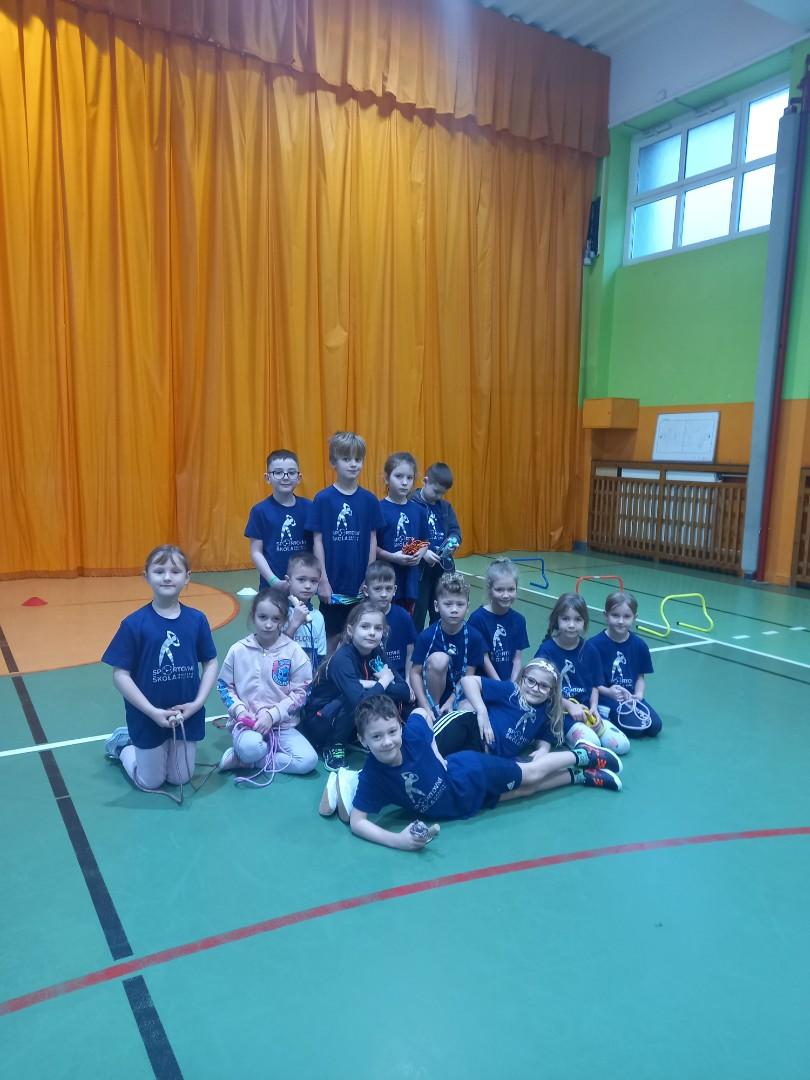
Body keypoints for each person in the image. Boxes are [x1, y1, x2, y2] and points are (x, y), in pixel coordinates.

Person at [343, 696, 623, 850]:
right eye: (376, 737)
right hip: (462, 803)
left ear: (399, 727)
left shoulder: (413, 735)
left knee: (531, 774)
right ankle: (581, 776)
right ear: (363, 740)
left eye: (392, 731)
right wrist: (398, 841)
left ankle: (584, 755)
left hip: (471, 772)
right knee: (527, 790)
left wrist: (435, 751)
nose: (388, 741)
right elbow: (358, 822)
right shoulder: (372, 776)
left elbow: (419, 713)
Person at [103, 545, 218, 791]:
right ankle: (123, 745)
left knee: (180, 778)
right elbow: (120, 675)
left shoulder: (197, 620)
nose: (167, 577)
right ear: (146, 576)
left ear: (187, 577)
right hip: (147, 716)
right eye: (159, 571)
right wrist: (152, 711)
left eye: (175, 571)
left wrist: (197, 704)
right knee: (150, 782)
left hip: (186, 714)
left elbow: (210, 662)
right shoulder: (134, 624)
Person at [216, 588, 316, 783]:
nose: (268, 624)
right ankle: (248, 753)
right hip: (248, 724)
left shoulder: (294, 652)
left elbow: (302, 692)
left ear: (284, 620)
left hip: (282, 726)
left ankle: (247, 761)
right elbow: (224, 686)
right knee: (251, 747)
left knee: (307, 761)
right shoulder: (238, 650)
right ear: (253, 616)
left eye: (275, 619)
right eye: (263, 617)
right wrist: (240, 711)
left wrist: (273, 715)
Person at [299, 601, 410, 770]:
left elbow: (405, 691)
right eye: (365, 627)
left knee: (376, 694)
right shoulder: (342, 659)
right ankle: (333, 745)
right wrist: (383, 681)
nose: (372, 633)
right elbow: (359, 701)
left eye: (378, 628)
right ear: (351, 631)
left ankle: (356, 736)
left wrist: (375, 684)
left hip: (346, 717)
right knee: (356, 697)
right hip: (319, 723)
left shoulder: (376, 653)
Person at [306, 432, 385, 648]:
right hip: (332, 586)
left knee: (359, 639)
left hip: (359, 586)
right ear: (334, 462)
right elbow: (317, 541)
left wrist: (368, 577)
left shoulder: (369, 500)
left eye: (358, 459)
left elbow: (372, 540)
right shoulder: (323, 499)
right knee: (331, 641)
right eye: (346, 459)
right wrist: (322, 581)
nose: (353, 464)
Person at [535, 593, 629, 755]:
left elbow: (595, 685)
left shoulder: (590, 649)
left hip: (586, 710)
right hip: (560, 712)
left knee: (621, 745)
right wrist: (569, 705)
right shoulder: (546, 650)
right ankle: (563, 734)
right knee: (592, 744)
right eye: (566, 619)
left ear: (584, 621)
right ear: (557, 620)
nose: (572, 625)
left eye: (577, 619)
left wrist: (594, 708)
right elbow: (541, 689)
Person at [410, 572, 486, 721]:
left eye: (460, 604)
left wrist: (451, 701)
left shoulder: (475, 637)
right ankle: (434, 709)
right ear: (436, 606)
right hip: (431, 694)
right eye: (448, 604)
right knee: (439, 659)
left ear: (468, 607)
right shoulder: (426, 637)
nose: (454, 609)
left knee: (470, 712)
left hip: (459, 693)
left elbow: (468, 675)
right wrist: (424, 704)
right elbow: (415, 673)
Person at [587, 591, 663, 738]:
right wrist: (608, 692)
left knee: (655, 726)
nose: (621, 621)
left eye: (627, 616)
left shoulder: (640, 645)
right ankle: (603, 712)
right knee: (635, 729)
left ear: (635, 617)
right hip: (606, 696)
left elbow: (640, 677)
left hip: (630, 698)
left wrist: (638, 695)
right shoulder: (593, 645)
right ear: (606, 615)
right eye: (615, 615)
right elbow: (591, 682)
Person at [244, 449, 312, 590]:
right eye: (278, 472)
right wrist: (273, 581)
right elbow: (256, 552)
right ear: (267, 477)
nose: (285, 477)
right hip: (270, 589)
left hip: (303, 588)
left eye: (291, 472)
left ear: (299, 478)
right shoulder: (260, 511)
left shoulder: (309, 508)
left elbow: (316, 546)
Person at [376, 451, 428, 613]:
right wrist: (393, 557)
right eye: (398, 476)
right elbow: (371, 547)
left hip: (409, 583)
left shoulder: (419, 511)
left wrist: (420, 554)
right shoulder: (378, 509)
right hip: (383, 584)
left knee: (404, 621)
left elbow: (425, 541)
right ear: (386, 478)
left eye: (409, 478)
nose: (404, 482)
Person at [411, 462, 461, 630]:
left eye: (443, 493)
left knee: (441, 614)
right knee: (417, 615)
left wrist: (454, 541)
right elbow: (405, 536)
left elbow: (455, 530)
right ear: (425, 481)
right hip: (420, 573)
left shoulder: (446, 507)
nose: (439, 496)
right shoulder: (411, 504)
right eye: (436, 491)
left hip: (442, 571)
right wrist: (422, 552)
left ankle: (438, 644)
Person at [468, 558, 529, 681]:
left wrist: (513, 684)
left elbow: (517, 659)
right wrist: (500, 685)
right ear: (490, 590)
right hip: (484, 682)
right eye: (499, 590)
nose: (506, 595)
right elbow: (484, 658)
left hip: (507, 683)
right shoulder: (478, 619)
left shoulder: (519, 620)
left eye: (511, 589)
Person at [361, 560, 416, 683]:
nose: (384, 594)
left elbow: (410, 653)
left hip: (398, 679)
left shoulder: (403, 617)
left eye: (388, 588)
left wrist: (408, 679)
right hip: (369, 679)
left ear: (395, 589)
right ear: (366, 590)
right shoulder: (359, 617)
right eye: (378, 589)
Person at [283, 552, 327, 671]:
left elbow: (321, 655)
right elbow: (276, 649)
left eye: (313, 581)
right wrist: (294, 623)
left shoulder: (318, 616)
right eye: (301, 579)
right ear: (288, 581)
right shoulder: (280, 612)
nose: (308, 586)